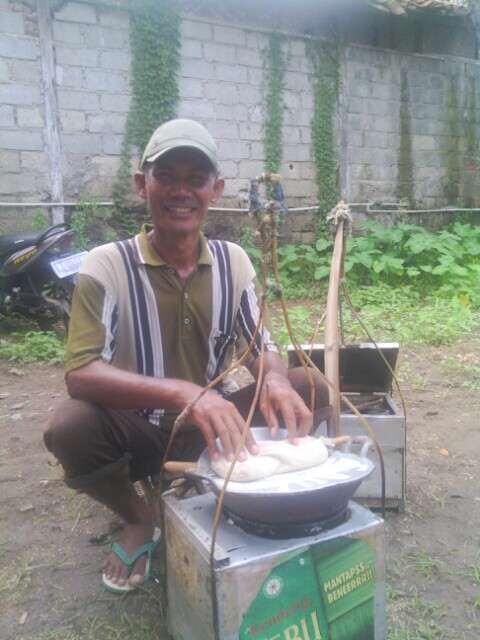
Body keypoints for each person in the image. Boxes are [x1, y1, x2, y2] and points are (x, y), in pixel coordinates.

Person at [44, 119, 328, 593]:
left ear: (214, 189)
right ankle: (140, 515)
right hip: (136, 431)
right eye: (166, 177)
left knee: (306, 384)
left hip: (213, 433)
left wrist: (274, 377)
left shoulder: (233, 260)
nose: (181, 192)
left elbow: (261, 349)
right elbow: (81, 372)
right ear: (142, 185)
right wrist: (186, 392)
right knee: (70, 426)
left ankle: (244, 493)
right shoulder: (106, 266)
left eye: (195, 180)